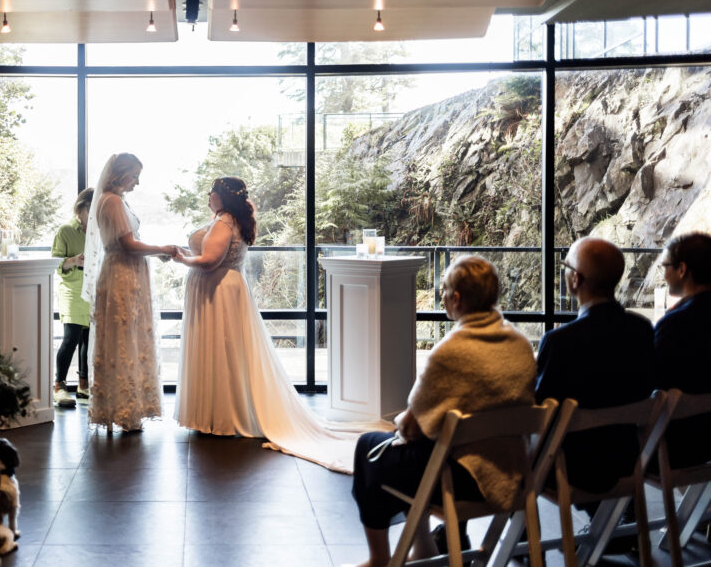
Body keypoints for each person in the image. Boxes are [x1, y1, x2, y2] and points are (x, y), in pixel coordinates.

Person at [173, 176, 376, 471]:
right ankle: (222, 411)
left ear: (222, 197)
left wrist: (182, 259)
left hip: (218, 291)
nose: (208, 195)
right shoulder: (230, 220)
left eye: (212, 192)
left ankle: (222, 415)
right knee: (228, 352)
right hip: (226, 289)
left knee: (221, 350)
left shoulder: (223, 222)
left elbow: (208, 261)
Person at [350, 255, 536, 567]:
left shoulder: (450, 352)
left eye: (444, 291)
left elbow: (410, 427)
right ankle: (424, 548)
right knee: (421, 450)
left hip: (463, 477)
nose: (443, 298)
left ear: (457, 298)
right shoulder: (520, 344)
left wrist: (400, 420)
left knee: (369, 448)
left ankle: (379, 558)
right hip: (513, 469)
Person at [535, 236, 655, 498]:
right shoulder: (642, 330)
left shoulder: (560, 341)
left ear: (575, 279)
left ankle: (523, 533)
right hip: (628, 459)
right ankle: (613, 530)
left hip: (568, 468)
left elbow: (541, 410)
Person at [81, 153, 177, 432]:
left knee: (129, 339)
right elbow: (127, 244)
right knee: (123, 339)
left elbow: (129, 242)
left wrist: (156, 254)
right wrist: (162, 249)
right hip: (122, 274)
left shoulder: (117, 200)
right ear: (120, 174)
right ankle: (123, 410)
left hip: (128, 272)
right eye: (134, 176)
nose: (137, 182)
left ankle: (128, 407)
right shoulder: (111, 201)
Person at [654, 232, 711, 467]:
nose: (664, 274)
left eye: (665, 266)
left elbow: (654, 382)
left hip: (681, 444)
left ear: (682, 269)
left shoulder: (675, 324)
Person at [51, 187, 94, 408]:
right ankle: (59, 386)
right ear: (81, 207)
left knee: (88, 339)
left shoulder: (97, 231)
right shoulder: (66, 230)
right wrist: (74, 260)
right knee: (71, 339)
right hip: (71, 290)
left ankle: (83, 385)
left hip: (92, 289)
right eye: (91, 209)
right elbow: (55, 264)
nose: (93, 215)